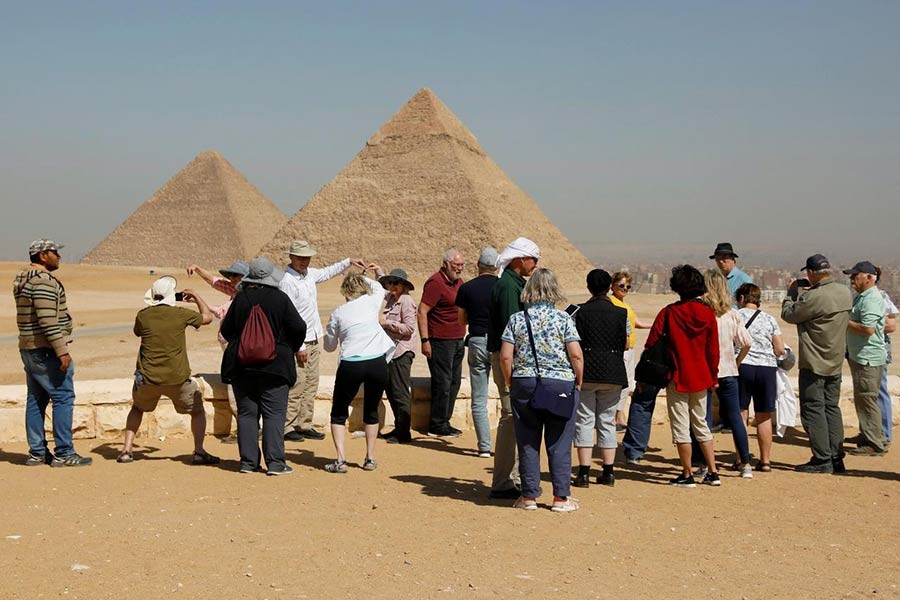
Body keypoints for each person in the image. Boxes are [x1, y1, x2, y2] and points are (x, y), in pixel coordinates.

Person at [499, 268, 583, 511]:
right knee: (559, 441)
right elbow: (575, 354)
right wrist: (577, 381)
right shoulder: (563, 319)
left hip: (525, 382)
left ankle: (529, 497)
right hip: (559, 384)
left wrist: (510, 381)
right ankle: (560, 498)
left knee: (527, 441)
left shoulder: (517, 319)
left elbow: (506, 357)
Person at [120, 276, 219, 464]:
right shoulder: (181, 314)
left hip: (148, 377)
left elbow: (137, 332)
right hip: (177, 378)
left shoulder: (143, 315)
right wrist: (196, 296)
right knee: (197, 411)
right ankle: (199, 451)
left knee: (138, 408)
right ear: (172, 296)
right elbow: (207, 317)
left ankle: (126, 450)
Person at [221, 258, 306, 475]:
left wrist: (245, 344)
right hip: (275, 367)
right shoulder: (280, 298)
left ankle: (248, 463)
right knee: (274, 414)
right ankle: (276, 463)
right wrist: (286, 346)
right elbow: (298, 327)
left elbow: (227, 330)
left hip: (242, 367)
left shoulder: (240, 299)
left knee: (247, 415)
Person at [14, 239, 92, 467]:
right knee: (63, 397)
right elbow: (48, 321)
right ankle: (64, 453)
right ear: (42, 256)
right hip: (46, 350)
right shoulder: (44, 282)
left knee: (36, 399)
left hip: (28, 347)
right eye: (55, 252)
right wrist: (62, 351)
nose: (59, 256)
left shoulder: (22, 280)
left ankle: (37, 453)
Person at [279, 240, 364, 442]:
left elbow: (328, 272)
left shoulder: (309, 275)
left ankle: (304, 424)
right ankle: (287, 426)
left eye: (307, 258)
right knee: (297, 384)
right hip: (298, 342)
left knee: (311, 383)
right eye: (300, 258)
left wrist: (349, 261)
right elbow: (287, 317)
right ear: (291, 257)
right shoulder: (286, 281)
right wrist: (299, 346)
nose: (304, 261)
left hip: (314, 338)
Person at [646, 265, 720, 488]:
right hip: (701, 377)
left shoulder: (669, 313)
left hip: (677, 376)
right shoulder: (708, 314)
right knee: (701, 425)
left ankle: (687, 473)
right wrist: (713, 376)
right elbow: (713, 351)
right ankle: (713, 472)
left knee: (680, 427)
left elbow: (651, 343)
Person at [781, 254, 852, 473]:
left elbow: (788, 314)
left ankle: (822, 459)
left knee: (813, 409)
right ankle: (836, 456)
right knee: (832, 407)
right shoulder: (844, 292)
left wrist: (792, 293)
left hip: (814, 362)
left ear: (811, 273)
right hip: (835, 361)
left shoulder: (813, 297)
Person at [323, 268, 395, 473]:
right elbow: (378, 286)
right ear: (363, 288)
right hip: (376, 363)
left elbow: (329, 346)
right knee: (371, 410)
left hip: (351, 364)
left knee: (338, 411)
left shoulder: (338, 312)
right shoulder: (372, 302)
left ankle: (341, 460)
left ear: (345, 292)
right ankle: (370, 458)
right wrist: (361, 275)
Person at [488, 237, 541, 499]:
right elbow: (514, 330)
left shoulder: (513, 283)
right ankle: (503, 483)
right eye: (534, 259)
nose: (535, 265)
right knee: (511, 418)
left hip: (511, 359)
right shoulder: (509, 287)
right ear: (520, 259)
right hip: (511, 360)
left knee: (515, 417)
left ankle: (512, 479)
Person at [572, 269, 627, 488]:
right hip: (613, 371)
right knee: (606, 422)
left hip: (587, 371)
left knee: (584, 421)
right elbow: (623, 343)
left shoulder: (580, 312)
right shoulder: (620, 313)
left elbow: (574, 341)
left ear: (589, 287)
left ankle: (584, 473)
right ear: (609, 287)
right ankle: (608, 471)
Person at [186, 260, 250, 442]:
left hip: (235, 348)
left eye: (234, 276)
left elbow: (219, 312)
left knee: (234, 387)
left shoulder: (242, 296)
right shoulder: (236, 289)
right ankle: (248, 428)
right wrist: (197, 267)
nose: (230, 279)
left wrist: (197, 298)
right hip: (234, 346)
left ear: (243, 278)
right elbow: (214, 281)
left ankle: (244, 431)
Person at [701, 269, 752, 477]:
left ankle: (705, 463)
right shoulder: (732, 315)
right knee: (735, 417)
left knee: (703, 419)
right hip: (729, 371)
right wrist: (736, 362)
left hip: (705, 372)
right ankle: (746, 463)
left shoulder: (703, 314)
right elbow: (747, 342)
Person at [735, 283, 785, 472]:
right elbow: (779, 349)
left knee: (741, 413)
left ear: (741, 299)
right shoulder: (770, 318)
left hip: (743, 366)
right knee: (764, 415)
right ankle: (765, 461)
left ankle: (741, 459)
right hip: (767, 369)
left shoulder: (736, 316)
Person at [455, 247, 500, 457]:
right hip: (501, 344)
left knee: (479, 397)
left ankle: (484, 447)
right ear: (497, 266)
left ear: (477, 266)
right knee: (508, 394)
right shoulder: (504, 287)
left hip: (477, 341)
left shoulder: (467, 288)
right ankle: (508, 446)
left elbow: (461, 319)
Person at [418, 249, 467, 438]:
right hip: (440, 341)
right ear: (446, 263)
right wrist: (425, 341)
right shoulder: (435, 283)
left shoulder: (459, 282)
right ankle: (437, 425)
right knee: (443, 383)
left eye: (462, 265)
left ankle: (444, 421)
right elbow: (422, 312)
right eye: (457, 265)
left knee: (454, 383)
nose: (460, 268)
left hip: (457, 339)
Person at [843, 261, 887, 456]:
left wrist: (844, 320)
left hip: (867, 357)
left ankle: (875, 443)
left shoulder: (871, 299)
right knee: (863, 398)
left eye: (856, 276)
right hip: (860, 355)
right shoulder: (863, 297)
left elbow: (868, 329)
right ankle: (868, 434)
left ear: (869, 278)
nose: (852, 279)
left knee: (867, 399)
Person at [608, 271, 652, 430]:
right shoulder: (612, 303)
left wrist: (656, 326)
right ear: (612, 286)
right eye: (621, 285)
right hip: (620, 350)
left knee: (626, 385)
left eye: (628, 286)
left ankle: (618, 415)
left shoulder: (625, 305)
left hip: (630, 349)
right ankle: (615, 417)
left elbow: (636, 323)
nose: (625, 289)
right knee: (620, 384)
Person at [378, 268, 417, 444]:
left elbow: (409, 328)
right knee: (391, 390)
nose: (391, 286)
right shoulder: (391, 298)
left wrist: (388, 324)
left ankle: (404, 433)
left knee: (400, 392)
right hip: (390, 351)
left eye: (395, 283)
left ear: (403, 285)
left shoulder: (406, 302)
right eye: (390, 282)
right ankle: (398, 427)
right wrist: (378, 272)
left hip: (402, 351)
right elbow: (381, 284)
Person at [874, 267, 898, 445]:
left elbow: (891, 325)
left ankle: (885, 434)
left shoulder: (881, 297)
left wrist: (865, 327)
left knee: (880, 392)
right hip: (865, 352)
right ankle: (871, 432)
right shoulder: (860, 297)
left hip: (878, 351)